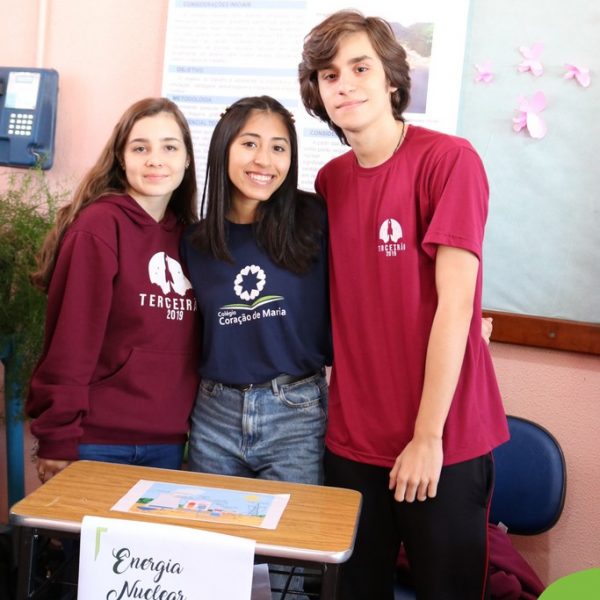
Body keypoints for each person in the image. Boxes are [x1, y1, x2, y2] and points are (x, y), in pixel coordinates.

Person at [299, 10, 509, 600]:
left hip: (442, 440)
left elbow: (456, 307)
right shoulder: (330, 182)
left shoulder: (450, 160)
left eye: (360, 67)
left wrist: (427, 437)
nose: (345, 84)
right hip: (352, 441)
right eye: (329, 74)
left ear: (391, 78)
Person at [27, 97, 200, 483]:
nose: (155, 160)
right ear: (121, 158)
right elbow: (71, 340)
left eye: (169, 147)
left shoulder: (191, 238)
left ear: (187, 158)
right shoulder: (99, 227)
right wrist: (57, 436)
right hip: (97, 441)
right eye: (140, 148)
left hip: (168, 443)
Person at [181, 95, 330, 487]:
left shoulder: (315, 219)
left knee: (291, 527)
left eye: (278, 148)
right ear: (223, 147)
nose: (264, 160)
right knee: (209, 526)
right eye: (249, 144)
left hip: (296, 413)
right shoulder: (195, 242)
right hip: (214, 415)